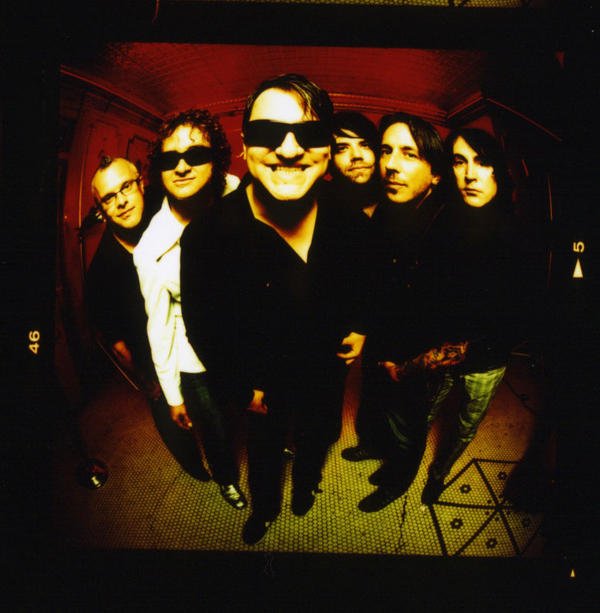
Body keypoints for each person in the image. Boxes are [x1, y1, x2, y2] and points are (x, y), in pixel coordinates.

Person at [181, 74, 370, 545]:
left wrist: (361, 326)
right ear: (245, 146)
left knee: (318, 434)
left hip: (325, 369)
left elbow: (368, 279)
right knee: (264, 451)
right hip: (261, 383)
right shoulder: (207, 235)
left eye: (308, 134)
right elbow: (202, 326)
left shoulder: (348, 216)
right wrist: (239, 387)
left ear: (326, 147)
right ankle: (264, 508)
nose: (288, 149)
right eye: (268, 132)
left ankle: (306, 486)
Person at [133, 110, 246, 510]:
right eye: (169, 159)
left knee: (255, 407)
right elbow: (159, 325)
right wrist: (173, 394)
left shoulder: (237, 195)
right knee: (214, 427)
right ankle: (227, 479)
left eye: (195, 154)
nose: (181, 167)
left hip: (244, 337)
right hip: (193, 355)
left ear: (216, 160)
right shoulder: (150, 249)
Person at [86, 156, 212, 482]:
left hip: (194, 338)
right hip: (152, 362)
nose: (122, 201)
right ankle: (195, 469)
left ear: (141, 183)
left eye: (126, 187)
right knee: (174, 426)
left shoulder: (167, 211)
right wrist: (145, 380)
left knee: (214, 409)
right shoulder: (101, 271)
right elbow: (116, 342)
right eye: (109, 198)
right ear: (101, 209)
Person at [419, 127, 525, 505]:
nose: (470, 174)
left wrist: (470, 347)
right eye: (459, 162)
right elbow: (428, 289)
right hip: (442, 347)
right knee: (423, 410)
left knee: (465, 425)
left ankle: (439, 474)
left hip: (486, 359)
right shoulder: (444, 219)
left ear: (498, 169)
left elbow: (521, 314)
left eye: (482, 162)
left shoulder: (517, 234)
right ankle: (406, 464)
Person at [355, 112, 447, 513]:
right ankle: (375, 447)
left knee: (406, 423)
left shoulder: (445, 230)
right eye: (387, 151)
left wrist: (406, 365)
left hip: (414, 355)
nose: (391, 164)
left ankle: (397, 480)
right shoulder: (389, 208)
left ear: (436, 174)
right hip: (381, 336)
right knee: (376, 402)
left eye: (409, 154)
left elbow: (450, 322)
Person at [329, 111, 379, 217]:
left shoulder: (398, 200)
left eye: (365, 145)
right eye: (342, 148)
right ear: (329, 156)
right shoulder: (321, 206)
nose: (357, 155)